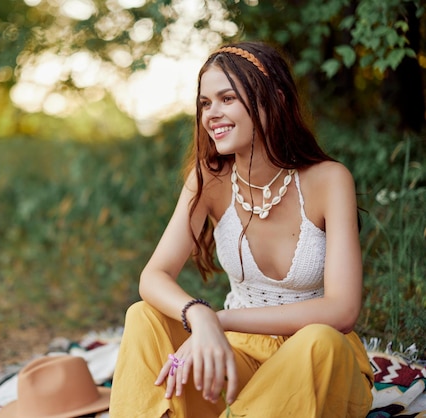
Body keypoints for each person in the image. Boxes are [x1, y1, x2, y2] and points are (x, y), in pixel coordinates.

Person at [108, 41, 374, 418]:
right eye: (205, 103)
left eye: (227, 98)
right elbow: (153, 275)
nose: (211, 114)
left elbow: (341, 309)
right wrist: (199, 316)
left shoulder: (329, 180)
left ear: (274, 100)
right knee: (143, 315)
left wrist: (222, 319)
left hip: (316, 365)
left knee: (320, 340)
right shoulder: (208, 180)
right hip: (237, 362)